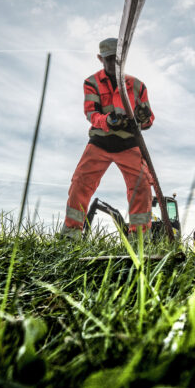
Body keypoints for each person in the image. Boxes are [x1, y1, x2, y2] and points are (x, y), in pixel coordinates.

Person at [58, 37, 155, 240]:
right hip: (100, 142)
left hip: (129, 144)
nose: (113, 63)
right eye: (108, 59)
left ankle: (140, 240)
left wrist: (144, 118)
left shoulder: (138, 86)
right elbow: (91, 114)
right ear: (100, 59)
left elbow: (147, 121)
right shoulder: (91, 82)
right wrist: (108, 120)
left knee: (142, 187)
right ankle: (71, 235)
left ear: (124, 58)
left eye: (117, 59)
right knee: (80, 183)